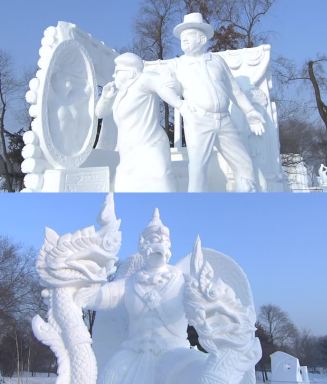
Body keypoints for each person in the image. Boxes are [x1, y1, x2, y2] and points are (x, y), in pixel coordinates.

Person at [78, 209, 191, 384]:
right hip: (132, 355)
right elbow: (98, 297)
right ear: (142, 245)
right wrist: (77, 287)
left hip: (174, 353)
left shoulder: (183, 281)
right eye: (154, 239)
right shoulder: (130, 283)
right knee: (108, 377)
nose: (159, 244)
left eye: (164, 240)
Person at [167, 12, 266, 192]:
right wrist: (180, 105)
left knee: (244, 164)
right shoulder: (177, 65)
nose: (184, 42)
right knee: (197, 168)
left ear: (202, 38)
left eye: (188, 37)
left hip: (224, 120)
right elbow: (165, 89)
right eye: (182, 39)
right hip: (199, 121)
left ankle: (248, 202)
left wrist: (250, 112)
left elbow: (234, 90)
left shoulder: (217, 61)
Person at [96, 53, 185, 192]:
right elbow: (100, 113)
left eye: (117, 72)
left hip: (151, 146)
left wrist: (180, 105)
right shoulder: (120, 93)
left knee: (161, 183)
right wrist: (106, 97)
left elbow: (163, 88)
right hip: (128, 152)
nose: (114, 76)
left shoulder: (143, 79)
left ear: (131, 73)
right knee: (127, 186)